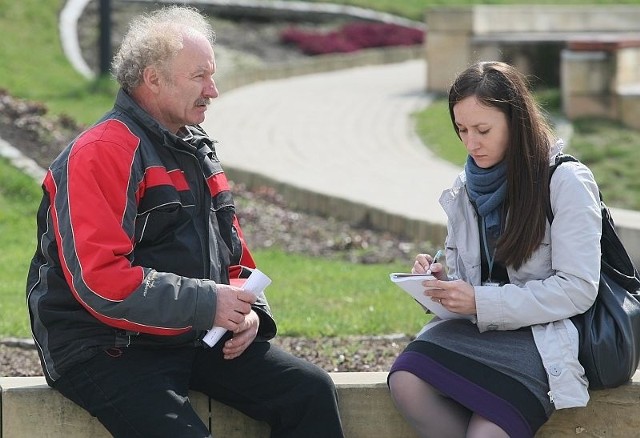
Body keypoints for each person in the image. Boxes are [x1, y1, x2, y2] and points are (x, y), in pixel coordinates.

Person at [25, 6, 344, 438]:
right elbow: (100, 283)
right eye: (199, 77)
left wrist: (250, 314)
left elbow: (233, 257)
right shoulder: (101, 152)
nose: (213, 90)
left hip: (190, 334)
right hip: (102, 344)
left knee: (311, 393)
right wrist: (209, 303)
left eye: (211, 76)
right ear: (152, 78)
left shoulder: (196, 147)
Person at [387, 61, 602, 437]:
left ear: (515, 121)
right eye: (462, 130)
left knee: (486, 433)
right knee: (407, 379)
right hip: (481, 328)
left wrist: (479, 302)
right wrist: (437, 283)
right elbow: (472, 278)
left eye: (483, 130)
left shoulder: (565, 181)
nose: (471, 143)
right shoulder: (464, 185)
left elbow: (578, 288)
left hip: (543, 335)